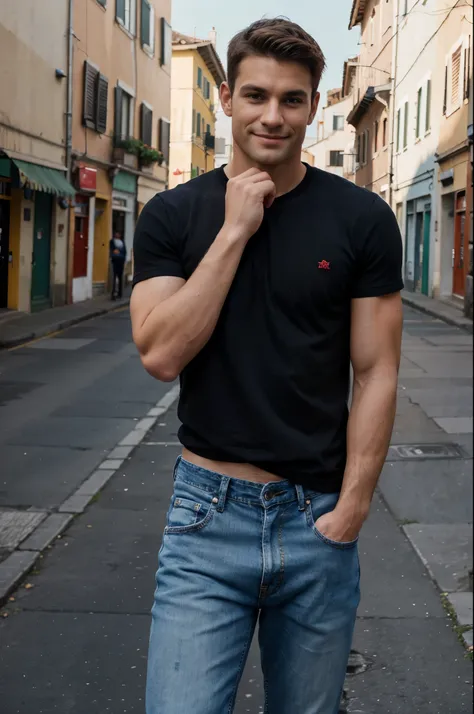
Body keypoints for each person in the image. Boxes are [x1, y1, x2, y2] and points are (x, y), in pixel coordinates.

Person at [131, 17, 403, 714]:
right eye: (255, 95)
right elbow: (161, 354)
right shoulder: (173, 215)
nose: (272, 116)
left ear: (314, 105)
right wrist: (234, 229)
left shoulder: (362, 219)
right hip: (205, 520)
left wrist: (353, 508)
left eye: (292, 99)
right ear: (226, 98)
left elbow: (377, 371)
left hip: (315, 520)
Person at [109, 230, 126, 299]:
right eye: (116, 233)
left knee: (120, 277)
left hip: (121, 261)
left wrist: (124, 258)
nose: (117, 235)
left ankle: (120, 293)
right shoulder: (112, 241)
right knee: (113, 278)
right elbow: (112, 250)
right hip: (115, 261)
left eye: (118, 234)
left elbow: (124, 251)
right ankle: (113, 294)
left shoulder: (122, 242)